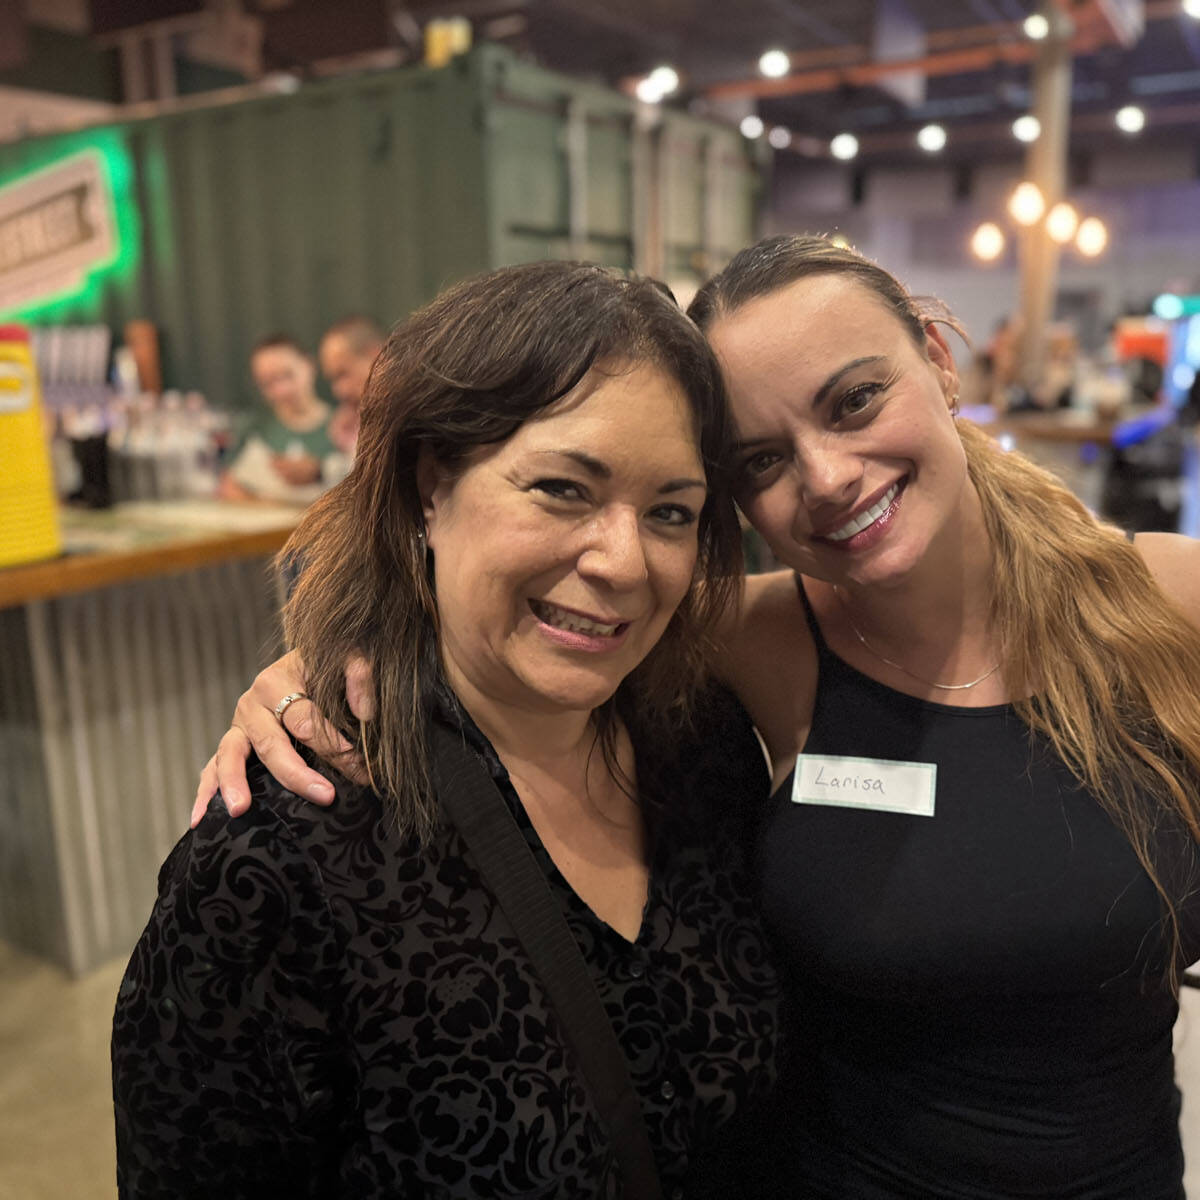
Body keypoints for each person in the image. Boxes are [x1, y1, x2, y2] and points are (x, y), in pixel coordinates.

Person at [203, 236, 1200, 1199]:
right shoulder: (755, 644)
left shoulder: (1169, 606)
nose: (827, 477)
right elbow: (513, 619)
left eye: (855, 401)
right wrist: (318, 662)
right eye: (759, 462)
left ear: (939, 360)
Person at [112, 262, 780, 1198]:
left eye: (671, 511)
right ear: (432, 485)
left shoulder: (702, 743)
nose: (625, 561)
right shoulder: (276, 864)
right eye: (562, 489)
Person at [218, 334, 335, 504]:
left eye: (288, 375)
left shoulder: (344, 427)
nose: (281, 390)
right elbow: (227, 485)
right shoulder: (253, 427)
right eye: (268, 383)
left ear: (309, 365)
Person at [319, 315, 386, 482]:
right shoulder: (351, 418)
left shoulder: (414, 407)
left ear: (375, 355)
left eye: (343, 374)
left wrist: (318, 471)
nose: (338, 391)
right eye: (333, 380)